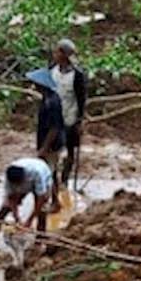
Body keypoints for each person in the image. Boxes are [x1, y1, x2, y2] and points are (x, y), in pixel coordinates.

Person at [49, 39, 87, 189]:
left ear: (64, 55)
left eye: (57, 52)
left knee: (70, 150)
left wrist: (80, 120)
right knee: (53, 151)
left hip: (70, 118)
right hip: (55, 118)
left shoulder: (77, 75)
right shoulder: (52, 71)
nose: (54, 55)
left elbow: (81, 99)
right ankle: (55, 182)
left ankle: (65, 179)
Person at [0, 157, 54, 244]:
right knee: (5, 208)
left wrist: (29, 220)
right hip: (22, 178)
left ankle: (40, 240)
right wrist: (17, 219)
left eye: (18, 185)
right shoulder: (9, 176)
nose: (16, 188)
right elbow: (11, 198)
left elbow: (40, 199)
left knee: (42, 211)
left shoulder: (37, 174)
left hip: (43, 174)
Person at [26, 68, 65, 211]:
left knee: (48, 173)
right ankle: (55, 201)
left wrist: (44, 148)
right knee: (52, 173)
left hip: (52, 144)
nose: (33, 86)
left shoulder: (52, 102)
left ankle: (50, 202)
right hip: (50, 142)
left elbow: (54, 128)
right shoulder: (48, 98)